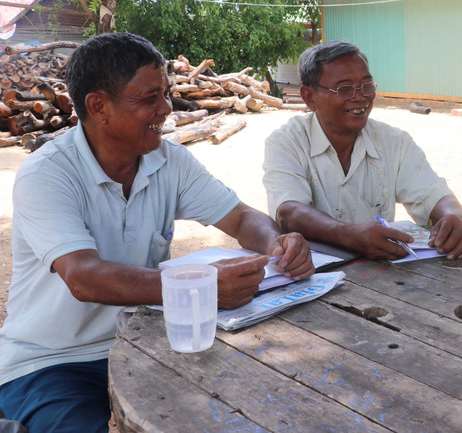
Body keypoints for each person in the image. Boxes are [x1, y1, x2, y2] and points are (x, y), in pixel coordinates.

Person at [0, 33, 315, 432]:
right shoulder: (48, 174)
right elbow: (82, 276)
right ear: (99, 107)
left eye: (165, 93)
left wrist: (276, 241)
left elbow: (238, 217)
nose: (167, 108)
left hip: (144, 343)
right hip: (53, 362)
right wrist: (197, 287)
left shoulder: (169, 161)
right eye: (150, 98)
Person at [263, 40, 462, 261]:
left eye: (366, 85)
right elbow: (288, 213)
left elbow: (434, 195)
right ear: (309, 97)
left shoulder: (394, 142)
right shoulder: (286, 141)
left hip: (379, 279)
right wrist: (349, 235)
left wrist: (453, 217)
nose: (360, 96)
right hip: (309, 274)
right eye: (344, 89)